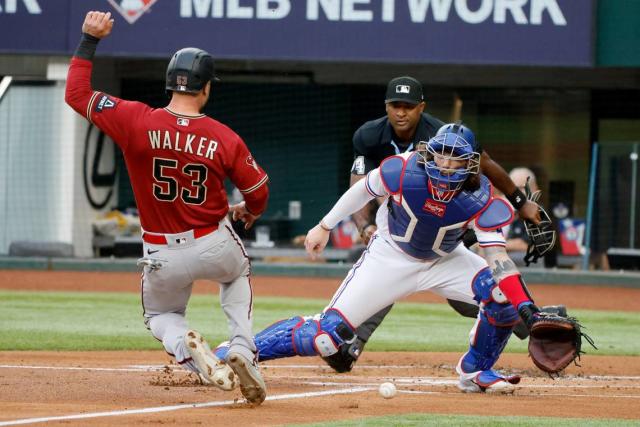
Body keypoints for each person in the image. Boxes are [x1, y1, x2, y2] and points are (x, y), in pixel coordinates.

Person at [217, 124, 543, 393]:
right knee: (324, 336)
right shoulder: (403, 170)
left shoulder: (482, 198)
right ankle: (236, 351)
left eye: (454, 158)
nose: (444, 164)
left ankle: (476, 371)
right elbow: (363, 191)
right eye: (440, 155)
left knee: (502, 298)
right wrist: (324, 225)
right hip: (391, 255)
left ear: (471, 164)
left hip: (446, 260)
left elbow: (498, 259)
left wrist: (527, 310)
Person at [65, 11, 268, 405]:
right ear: (206, 88)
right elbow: (258, 188)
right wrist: (249, 209)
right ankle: (242, 348)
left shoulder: (134, 119)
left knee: (161, 317)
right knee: (238, 272)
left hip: (160, 252)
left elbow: (76, 94)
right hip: (213, 242)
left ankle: (187, 350)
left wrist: (89, 39)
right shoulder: (223, 136)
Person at [326, 76, 540, 372]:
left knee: (470, 298)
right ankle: (351, 343)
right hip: (397, 222)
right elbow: (359, 185)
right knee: (388, 276)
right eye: (395, 105)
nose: (402, 112)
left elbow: (485, 163)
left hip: (447, 222)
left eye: (409, 106)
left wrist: (520, 202)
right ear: (386, 107)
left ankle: (537, 326)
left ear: (421, 108)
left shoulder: (441, 133)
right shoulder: (368, 135)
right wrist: (365, 227)